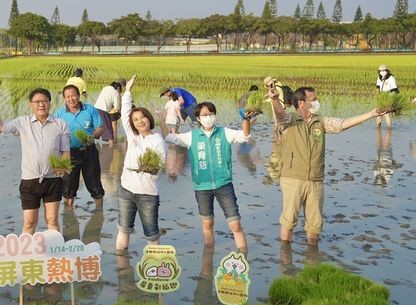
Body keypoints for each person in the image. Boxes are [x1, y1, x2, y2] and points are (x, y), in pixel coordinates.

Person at [269, 84, 386, 244]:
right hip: (293, 179)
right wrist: (275, 100)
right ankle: (285, 260)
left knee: (314, 226)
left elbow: (343, 124)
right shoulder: (290, 120)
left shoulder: (320, 122)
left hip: (316, 180)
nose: (317, 102)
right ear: (301, 103)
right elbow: (279, 114)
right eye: (313, 99)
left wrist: (371, 114)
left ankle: (312, 260)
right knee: (289, 221)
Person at [162, 102, 253, 252]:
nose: (208, 117)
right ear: (198, 118)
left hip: (224, 185)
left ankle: (243, 257)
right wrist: (161, 117)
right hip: (202, 188)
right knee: (207, 224)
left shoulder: (225, 133)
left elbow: (244, 136)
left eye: (211, 114)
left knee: (235, 224)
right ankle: (208, 257)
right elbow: (169, 137)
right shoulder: (192, 136)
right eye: (204, 115)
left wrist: (246, 120)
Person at [0, 88, 70, 233]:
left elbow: (65, 150)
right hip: (30, 180)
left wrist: (62, 168)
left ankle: (55, 252)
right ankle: (25, 254)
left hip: (53, 179)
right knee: (29, 222)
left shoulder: (60, 124)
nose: (41, 104)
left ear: (50, 104)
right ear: (30, 105)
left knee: (52, 220)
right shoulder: (23, 122)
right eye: (37, 102)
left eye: (45, 101)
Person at [116, 75, 167, 253]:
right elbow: (124, 114)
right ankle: (122, 265)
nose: (140, 121)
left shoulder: (157, 140)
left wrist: (151, 167)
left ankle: (155, 266)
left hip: (147, 194)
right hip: (126, 190)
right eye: (136, 119)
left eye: (143, 117)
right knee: (123, 228)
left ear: (149, 119)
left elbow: (159, 162)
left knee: (151, 233)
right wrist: (127, 91)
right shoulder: (133, 136)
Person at [54, 84, 106, 209]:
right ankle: (69, 214)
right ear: (64, 98)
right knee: (68, 186)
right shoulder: (59, 113)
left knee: (94, 183)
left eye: (73, 96)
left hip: (89, 152)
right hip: (68, 153)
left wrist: (92, 137)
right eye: (68, 97)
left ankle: (99, 212)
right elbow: (53, 134)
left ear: (78, 95)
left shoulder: (90, 109)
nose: (71, 99)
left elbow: (100, 127)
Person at [94, 78, 125, 144]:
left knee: (98, 127)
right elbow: (117, 107)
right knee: (109, 131)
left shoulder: (105, 88)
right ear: (118, 88)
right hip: (103, 110)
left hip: (95, 108)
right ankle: (112, 147)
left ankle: (94, 144)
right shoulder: (116, 92)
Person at [375, 64, 398, 129]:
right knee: (378, 114)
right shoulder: (379, 77)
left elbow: (394, 90)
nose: (382, 72)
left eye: (383, 70)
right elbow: (377, 87)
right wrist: (378, 95)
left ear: (387, 71)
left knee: (386, 114)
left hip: (388, 96)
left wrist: (388, 100)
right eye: (380, 71)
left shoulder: (391, 78)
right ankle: (377, 129)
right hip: (381, 97)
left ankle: (389, 129)